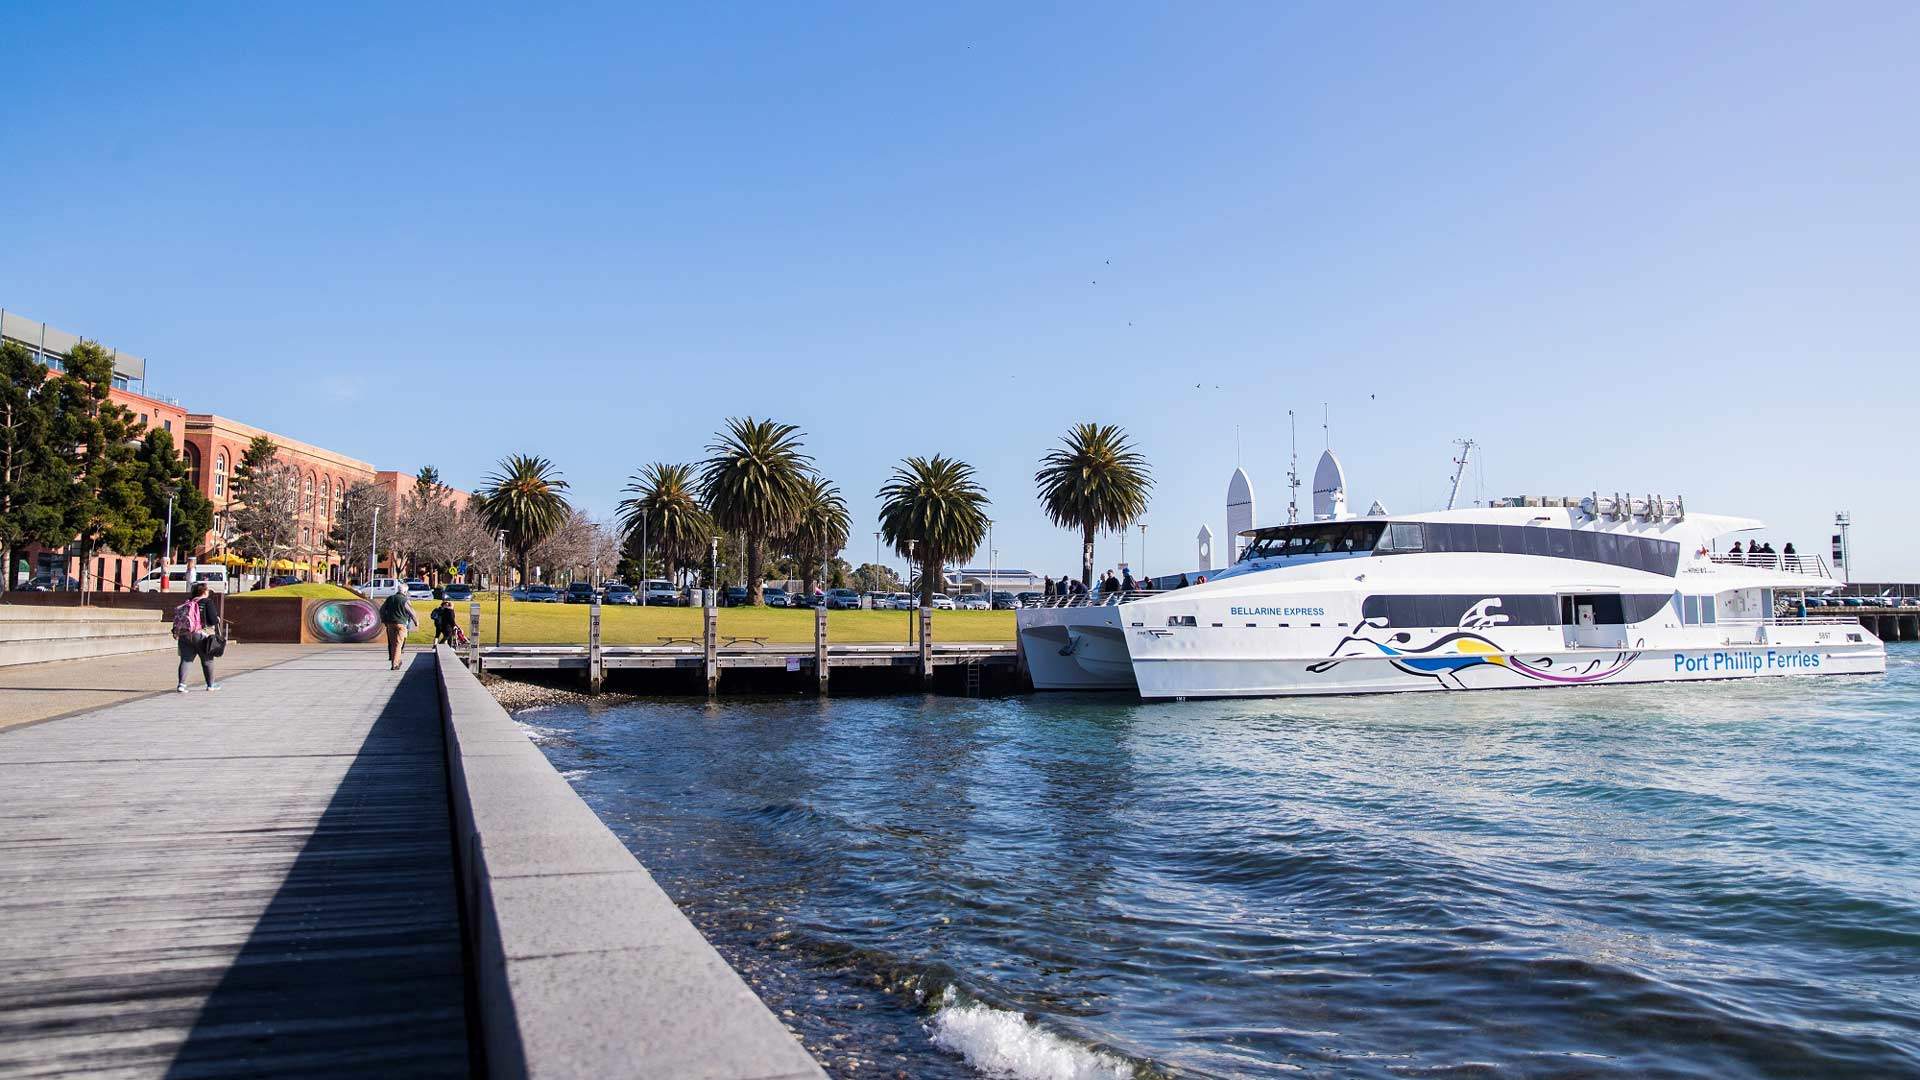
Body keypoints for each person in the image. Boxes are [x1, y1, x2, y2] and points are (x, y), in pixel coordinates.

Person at [172, 582, 222, 692]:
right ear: (204, 591)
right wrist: (217, 619)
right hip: (201, 635)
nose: (208, 591)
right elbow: (213, 620)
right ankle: (211, 685)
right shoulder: (207, 602)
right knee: (207, 660)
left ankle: (181, 685)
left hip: (185, 634)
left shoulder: (187, 603)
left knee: (185, 660)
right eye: (207, 590)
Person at [379, 586, 418, 670]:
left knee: (393, 644)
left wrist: (384, 620)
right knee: (398, 644)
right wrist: (416, 622)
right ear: (405, 592)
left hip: (390, 624)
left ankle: (395, 661)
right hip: (401, 624)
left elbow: (381, 610)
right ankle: (395, 664)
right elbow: (411, 612)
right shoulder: (404, 600)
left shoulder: (390, 598)